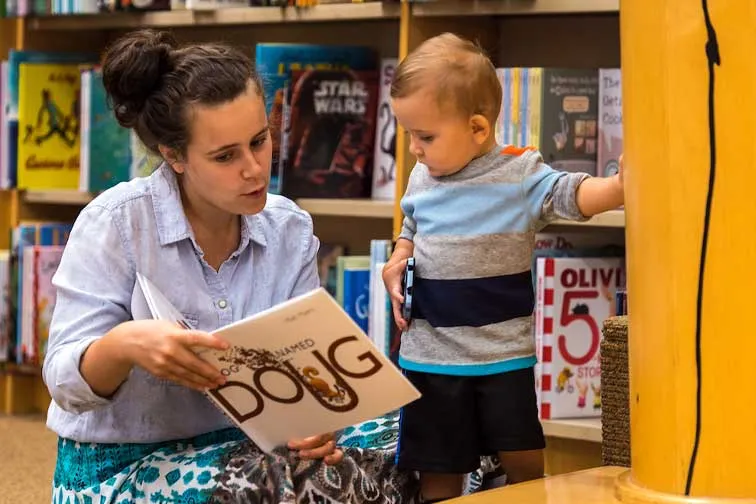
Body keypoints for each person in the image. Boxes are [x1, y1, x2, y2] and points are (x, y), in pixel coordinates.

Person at [42, 29, 418, 504]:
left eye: (259, 141)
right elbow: (63, 382)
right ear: (173, 155)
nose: (255, 169)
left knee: (437, 441)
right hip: (122, 464)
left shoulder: (289, 229)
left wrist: (316, 426)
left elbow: (305, 371)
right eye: (225, 156)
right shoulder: (115, 222)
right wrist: (126, 345)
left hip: (249, 445)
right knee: (308, 486)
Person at [381, 33, 625, 503]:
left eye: (425, 136)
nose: (413, 148)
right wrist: (398, 254)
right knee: (437, 473)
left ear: (477, 128)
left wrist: (617, 188)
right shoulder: (422, 173)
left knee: (525, 464)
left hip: (502, 359)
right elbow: (412, 221)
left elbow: (570, 194)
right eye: (409, 134)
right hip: (430, 357)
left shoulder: (519, 172)